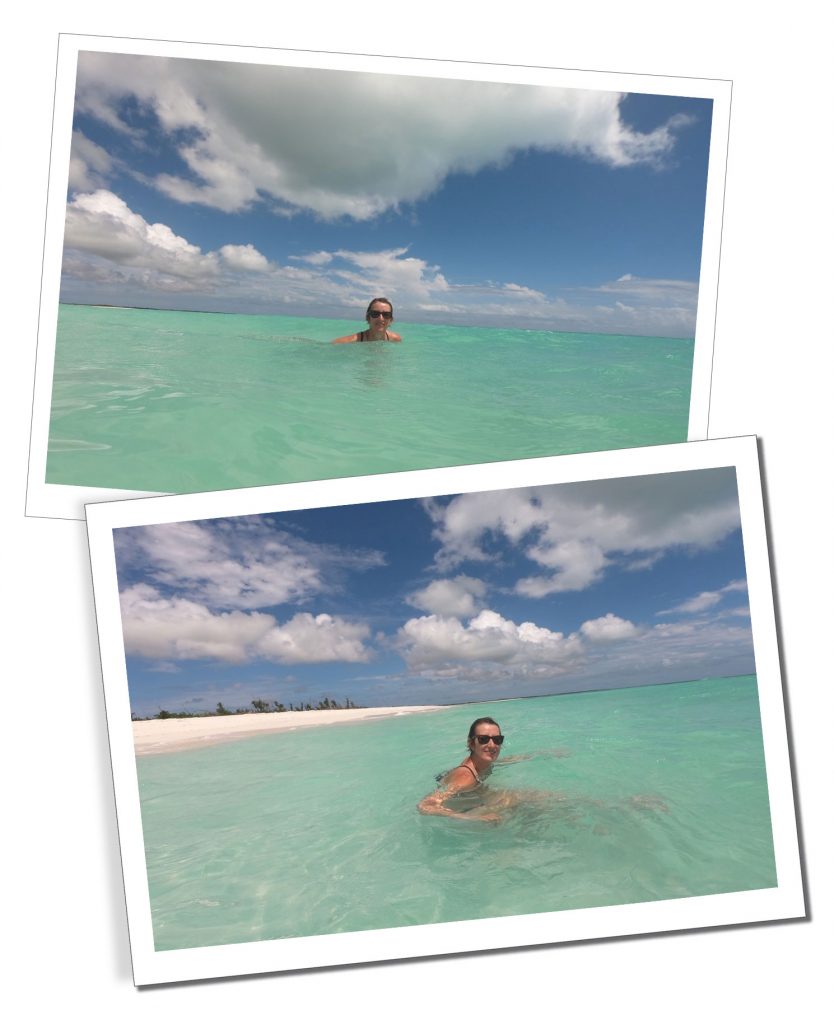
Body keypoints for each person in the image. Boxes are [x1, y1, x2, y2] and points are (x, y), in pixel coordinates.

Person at [417, 717, 507, 822]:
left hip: (470, 793)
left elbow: (494, 761)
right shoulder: (466, 777)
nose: (492, 745)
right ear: (471, 743)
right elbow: (425, 805)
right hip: (461, 806)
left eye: (497, 740)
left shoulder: (481, 761)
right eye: (483, 739)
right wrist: (475, 818)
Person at [332, 298, 402, 344]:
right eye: (375, 314)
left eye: (386, 314)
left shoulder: (395, 339)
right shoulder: (353, 341)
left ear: (391, 320)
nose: (381, 318)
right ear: (368, 318)